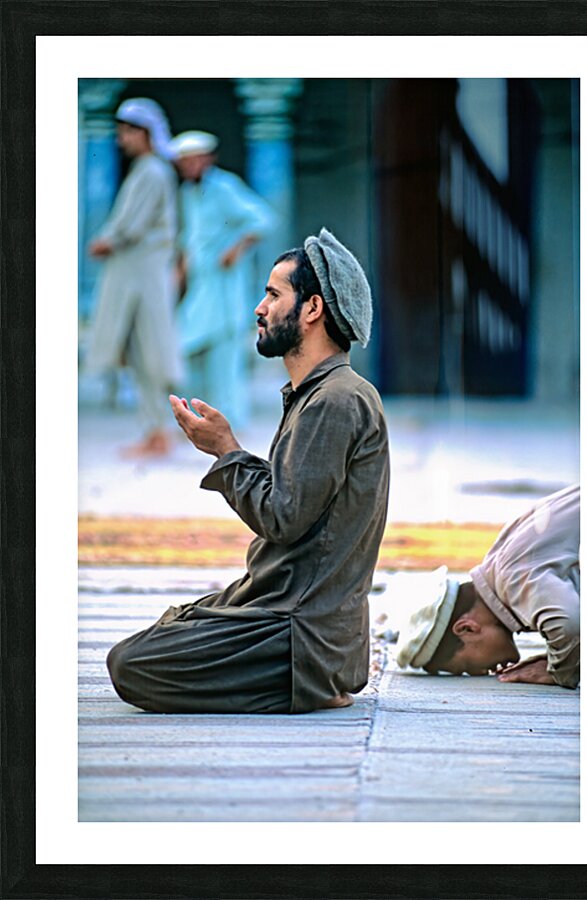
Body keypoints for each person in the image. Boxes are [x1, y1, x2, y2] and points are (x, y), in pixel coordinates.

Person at [106, 228, 390, 714]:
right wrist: (226, 452)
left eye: (274, 294)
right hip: (293, 616)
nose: (260, 309)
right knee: (173, 627)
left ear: (313, 309)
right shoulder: (322, 395)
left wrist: (226, 452)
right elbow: (297, 503)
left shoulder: (336, 401)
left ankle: (308, 686)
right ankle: (309, 678)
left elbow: (283, 516)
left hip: (301, 633)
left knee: (131, 663)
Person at [395, 484, 580, 688]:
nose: (481, 673)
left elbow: (571, 627)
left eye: (465, 667)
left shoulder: (513, 579)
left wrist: (559, 669)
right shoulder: (501, 561)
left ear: (466, 628)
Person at [85, 97, 183, 457]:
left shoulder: (153, 171)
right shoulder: (146, 170)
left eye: (126, 132)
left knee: (153, 351)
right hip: (134, 273)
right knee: (140, 352)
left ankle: (160, 432)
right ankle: (154, 430)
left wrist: (106, 241)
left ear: (143, 133)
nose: (121, 140)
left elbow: (132, 225)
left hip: (145, 273)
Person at [169, 130, 276, 428]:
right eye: (183, 162)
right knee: (188, 346)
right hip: (200, 285)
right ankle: (195, 419)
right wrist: (180, 268)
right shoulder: (187, 193)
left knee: (224, 355)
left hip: (224, 284)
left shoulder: (225, 186)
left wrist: (236, 248)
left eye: (193, 160)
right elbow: (189, 236)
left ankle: (229, 422)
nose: (188, 167)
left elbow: (262, 219)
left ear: (207, 158)